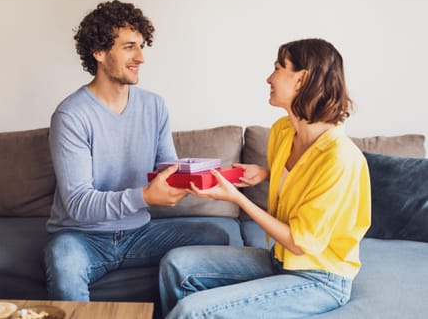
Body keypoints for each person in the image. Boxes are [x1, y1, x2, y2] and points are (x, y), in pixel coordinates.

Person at [159, 38, 371, 318]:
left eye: (278, 67)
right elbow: (302, 179)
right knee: (175, 264)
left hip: (320, 279)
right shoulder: (284, 131)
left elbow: (299, 242)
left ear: (301, 79)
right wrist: (266, 173)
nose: (269, 77)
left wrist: (237, 199)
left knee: (191, 311)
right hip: (280, 260)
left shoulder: (339, 157)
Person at [44, 0, 229, 301]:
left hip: (140, 234)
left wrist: (202, 179)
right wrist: (143, 196)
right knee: (63, 260)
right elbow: (77, 203)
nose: (141, 57)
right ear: (99, 53)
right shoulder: (71, 115)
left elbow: (166, 169)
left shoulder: (154, 106)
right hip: (81, 237)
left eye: (142, 47)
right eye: (130, 47)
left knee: (216, 236)